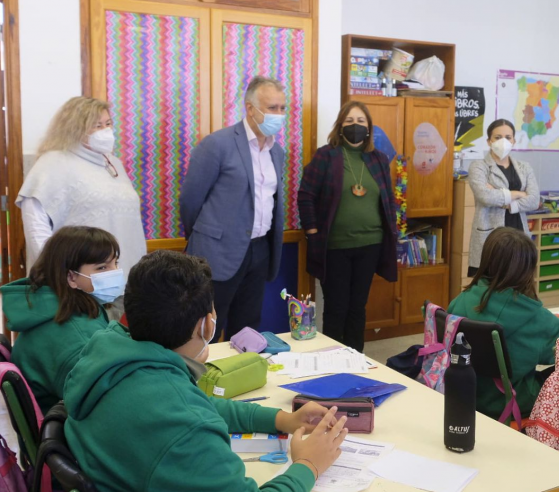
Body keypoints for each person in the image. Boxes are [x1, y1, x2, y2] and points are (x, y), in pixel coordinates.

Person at [64, 250, 347, 492]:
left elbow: (199, 405)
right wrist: (308, 465)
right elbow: (191, 416)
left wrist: (282, 419)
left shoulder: (111, 352)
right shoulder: (187, 426)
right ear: (207, 325)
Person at [180, 75, 286, 341]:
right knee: (208, 329)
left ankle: (242, 378)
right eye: (272, 108)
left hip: (259, 250)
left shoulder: (277, 151)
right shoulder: (217, 144)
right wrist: (206, 238)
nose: (279, 114)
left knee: (248, 327)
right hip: (217, 252)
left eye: (283, 108)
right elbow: (191, 200)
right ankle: (204, 383)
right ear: (251, 109)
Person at [297, 101, 397, 353]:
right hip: (335, 246)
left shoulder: (379, 159)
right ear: (340, 127)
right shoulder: (326, 156)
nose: (356, 126)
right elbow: (306, 194)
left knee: (357, 307)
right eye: (350, 121)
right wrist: (311, 231)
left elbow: (387, 199)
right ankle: (332, 361)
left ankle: (355, 359)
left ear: (369, 127)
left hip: (371, 245)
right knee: (336, 307)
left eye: (361, 121)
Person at [447, 227, 559, 419]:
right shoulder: (540, 320)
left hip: (463, 393)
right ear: (529, 269)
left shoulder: (461, 300)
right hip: (513, 400)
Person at [16, 96, 146, 278]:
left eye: (108, 123)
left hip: (125, 277)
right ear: (75, 129)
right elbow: (36, 227)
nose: (106, 131)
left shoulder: (113, 163)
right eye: (97, 126)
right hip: (77, 282)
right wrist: (56, 272)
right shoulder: (52, 163)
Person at [0, 226, 120, 414]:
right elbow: (107, 404)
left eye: (115, 263)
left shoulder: (54, 310)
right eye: (102, 267)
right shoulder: (75, 336)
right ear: (71, 276)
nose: (115, 272)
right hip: (67, 435)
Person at [467, 119, 540, 277]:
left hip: (518, 231)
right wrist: (518, 194)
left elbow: (534, 200)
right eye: (498, 137)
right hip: (491, 234)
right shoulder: (479, 166)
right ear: (489, 141)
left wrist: (505, 201)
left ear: (514, 140)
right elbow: (485, 196)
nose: (503, 142)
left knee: (518, 280)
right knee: (490, 283)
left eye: (508, 137)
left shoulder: (524, 167)